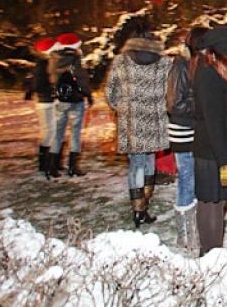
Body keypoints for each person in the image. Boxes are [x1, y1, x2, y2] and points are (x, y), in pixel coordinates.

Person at [191, 25, 227, 255]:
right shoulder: (209, 77)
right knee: (211, 203)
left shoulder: (213, 73)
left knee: (214, 202)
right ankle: (211, 253)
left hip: (215, 150)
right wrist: (225, 160)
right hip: (213, 152)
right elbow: (214, 122)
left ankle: (211, 250)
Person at [106, 28, 173, 228]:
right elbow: (170, 92)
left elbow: (110, 92)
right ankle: (145, 203)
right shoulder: (164, 64)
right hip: (155, 118)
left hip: (131, 120)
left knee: (136, 163)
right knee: (150, 160)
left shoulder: (121, 61)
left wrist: (122, 107)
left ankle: (138, 210)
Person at [166, 26, 207, 249]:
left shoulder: (194, 64)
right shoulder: (180, 65)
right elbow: (175, 103)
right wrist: (201, 106)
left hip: (194, 129)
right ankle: (186, 234)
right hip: (183, 130)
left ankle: (192, 230)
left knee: (192, 178)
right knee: (186, 179)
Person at [48, 32, 93, 178]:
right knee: (75, 133)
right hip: (75, 100)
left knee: (58, 132)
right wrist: (88, 94)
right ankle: (73, 167)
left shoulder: (53, 58)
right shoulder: (75, 59)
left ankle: (52, 166)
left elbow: (51, 77)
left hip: (60, 99)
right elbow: (82, 79)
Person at [26, 38, 56, 175]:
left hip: (49, 101)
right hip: (46, 102)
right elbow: (38, 84)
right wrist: (52, 91)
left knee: (53, 131)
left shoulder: (47, 63)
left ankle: (50, 163)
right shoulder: (42, 64)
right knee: (48, 132)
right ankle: (44, 164)